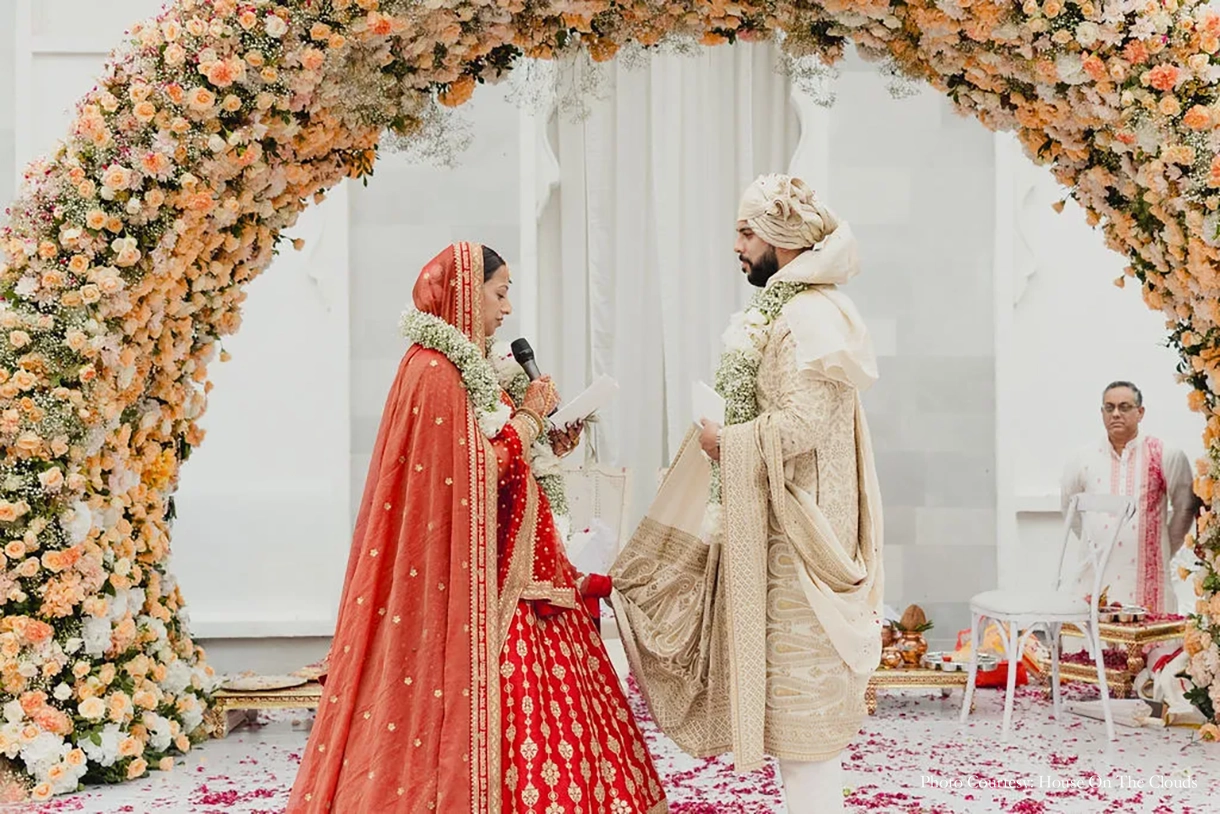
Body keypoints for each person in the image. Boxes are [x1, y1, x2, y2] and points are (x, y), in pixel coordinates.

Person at [287, 243, 667, 813]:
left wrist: (545, 434)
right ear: (467, 292)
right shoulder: (436, 373)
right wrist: (532, 419)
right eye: (499, 291)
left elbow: (496, 455)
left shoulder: (475, 369)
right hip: (476, 591)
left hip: (514, 572)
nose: (507, 307)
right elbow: (475, 473)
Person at [611, 175, 884, 814]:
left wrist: (724, 442)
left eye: (746, 231)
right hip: (786, 533)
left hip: (801, 543)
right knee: (795, 722)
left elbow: (804, 423)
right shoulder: (792, 310)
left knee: (803, 723)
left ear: (783, 239)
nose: (736, 244)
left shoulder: (808, 316)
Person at [1061, 381, 1195, 614]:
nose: (1116, 414)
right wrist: (1097, 544)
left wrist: (1159, 548)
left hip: (1147, 578)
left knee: (1152, 644)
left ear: (1140, 412)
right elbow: (1070, 509)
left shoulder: (1164, 453)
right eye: (1109, 407)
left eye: (1124, 407)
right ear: (1101, 412)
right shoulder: (1083, 459)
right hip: (1096, 573)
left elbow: (1185, 508)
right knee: (1094, 645)